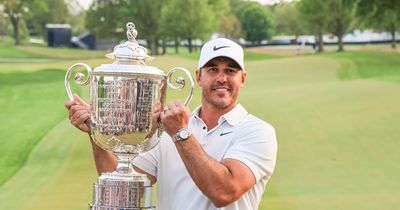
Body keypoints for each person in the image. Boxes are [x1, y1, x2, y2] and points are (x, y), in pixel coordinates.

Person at [65, 38, 277, 210]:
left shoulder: (258, 131)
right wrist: (96, 133)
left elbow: (223, 192)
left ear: (243, 78)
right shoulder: (167, 130)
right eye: (213, 69)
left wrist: (180, 133)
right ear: (199, 77)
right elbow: (122, 185)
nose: (222, 78)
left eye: (230, 70)